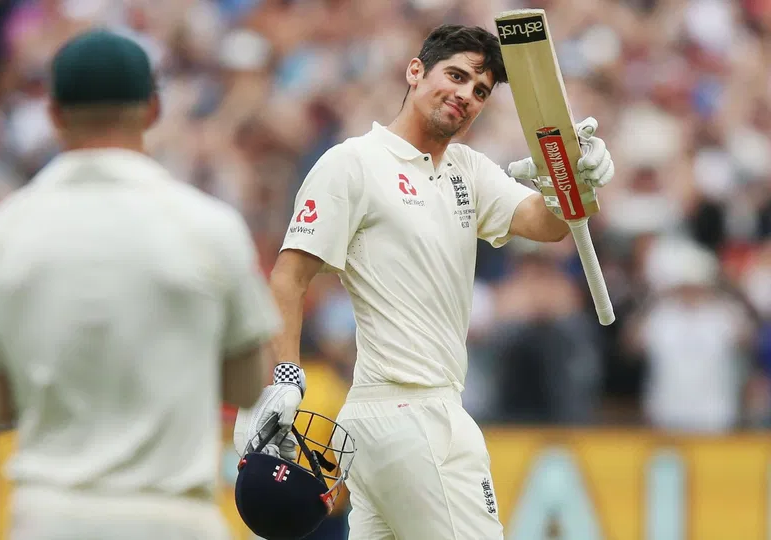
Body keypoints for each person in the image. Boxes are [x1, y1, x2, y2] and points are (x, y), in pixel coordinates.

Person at [235, 24, 615, 540]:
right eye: (455, 76)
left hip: (384, 424)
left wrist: (577, 176)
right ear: (415, 71)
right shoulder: (354, 163)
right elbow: (289, 276)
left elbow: (547, 222)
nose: (465, 95)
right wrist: (284, 378)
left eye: (480, 91)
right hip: (414, 413)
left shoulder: (467, 170)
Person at [0, 30, 280, 540]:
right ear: (152, 109)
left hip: (49, 518)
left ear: (54, 113)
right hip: (174, 519)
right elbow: (246, 384)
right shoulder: (209, 227)